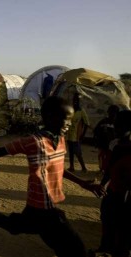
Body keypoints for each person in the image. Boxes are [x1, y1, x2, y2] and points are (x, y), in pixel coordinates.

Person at [0, 96, 105, 257]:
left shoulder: (60, 140)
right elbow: (0, 151)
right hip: (44, 209)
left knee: (16, 227)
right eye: (65, 119)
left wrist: (83, 183)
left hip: (42, 205)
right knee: (75, 248)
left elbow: (58, 168)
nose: (69, 124)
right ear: (49, 117)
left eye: (70, 119)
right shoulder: (34, 142)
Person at [95, 110, 131, 257]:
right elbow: (110, 168)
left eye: (120, 126)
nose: (116, 129)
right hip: (114, 192)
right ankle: (105, 248)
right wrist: (103, 184)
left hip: (125, 196)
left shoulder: (126, 148)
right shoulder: (117, 146)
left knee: (122, 229)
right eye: (116, 125)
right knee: (108, 220)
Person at [93, 105, 119, 174]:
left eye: (114, 113)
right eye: (111, 112)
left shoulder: (118, 124)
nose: (112, 114)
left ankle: (106, 169)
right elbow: (96, 131)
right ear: (108, 112)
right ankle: (102, 169)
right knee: (102, 157)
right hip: (102, 144)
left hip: (112, 146)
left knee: (109, 158)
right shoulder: (103, 121)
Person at [67, 93, 90, 172]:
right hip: (69, 134)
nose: (75, 102)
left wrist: (83, 134)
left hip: (76, 135)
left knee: (77, 152)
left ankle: (83, 167)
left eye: (77, 100)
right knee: (70, 151)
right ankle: (71, 167)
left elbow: (87, 123)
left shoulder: (81, 111)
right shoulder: (70, 109)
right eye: (74, 100)